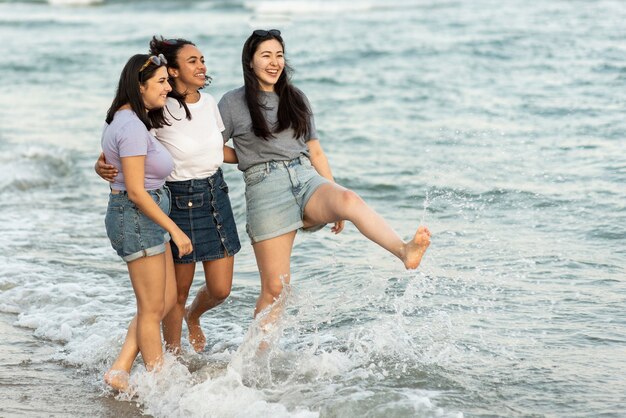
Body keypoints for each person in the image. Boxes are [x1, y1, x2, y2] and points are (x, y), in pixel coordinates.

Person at [218, 29, 431, 325]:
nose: (274, 62)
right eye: (266, 55)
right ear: (250, 61)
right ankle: (252, 365)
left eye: (279, 55)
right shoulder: (232, 102)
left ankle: (404, 251)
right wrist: (251, 156)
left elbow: (315, 152)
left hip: (305, 177)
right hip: (266, 190)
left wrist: (330, 187)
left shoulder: (296, 97)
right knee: (276, 289)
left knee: (348, 199)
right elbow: (212, 149)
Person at [96, 36, 241, 354]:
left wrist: (256, 157)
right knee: (172, 294)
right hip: (178, 198)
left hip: (217, 193)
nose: (202, 66)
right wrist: (101, 165)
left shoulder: (210, 103)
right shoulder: (160, 108)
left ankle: (194, 316)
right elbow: (126, 149)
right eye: (193, 61)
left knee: (220, 288)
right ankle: (173, 357)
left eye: (203, 59)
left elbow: (216, 150)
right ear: (172, 71)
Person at [100, 53, 193, 391]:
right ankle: (159, 387)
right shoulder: (131, 126)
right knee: (153, 309)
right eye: (161, 82)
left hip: (143, 216)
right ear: (139, 86)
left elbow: (113, 164)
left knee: (164, 301)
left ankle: (120, 368)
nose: (168, 89)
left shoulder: (124, 120)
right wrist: (175, 229)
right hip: (138, 217)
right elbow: (137, 192)